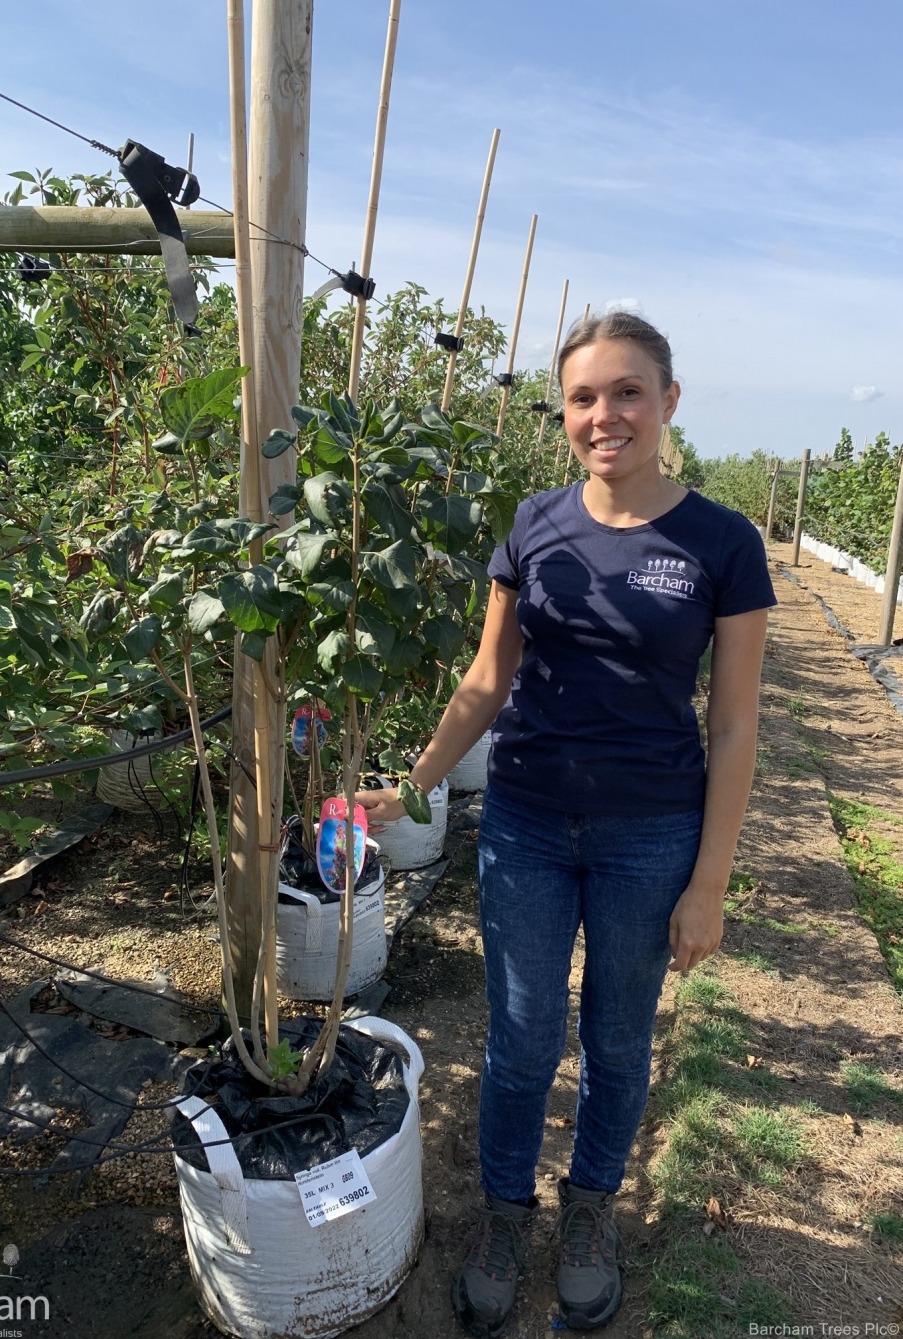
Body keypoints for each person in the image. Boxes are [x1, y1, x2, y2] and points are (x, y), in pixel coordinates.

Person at [356, 311, 776, 1335]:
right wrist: (415, 785)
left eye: (627, 391)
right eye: (583, 397)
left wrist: (709, 883)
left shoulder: (722, 542)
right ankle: (505, 1213)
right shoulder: (534, 522)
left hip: (651, 834)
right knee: (519, 1037)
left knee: (617, 1041)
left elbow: (731, 724)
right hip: (527, 827)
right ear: (564, 412)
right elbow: (487, 677)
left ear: (667, 402)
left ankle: (590, 1209)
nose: (604, 415)